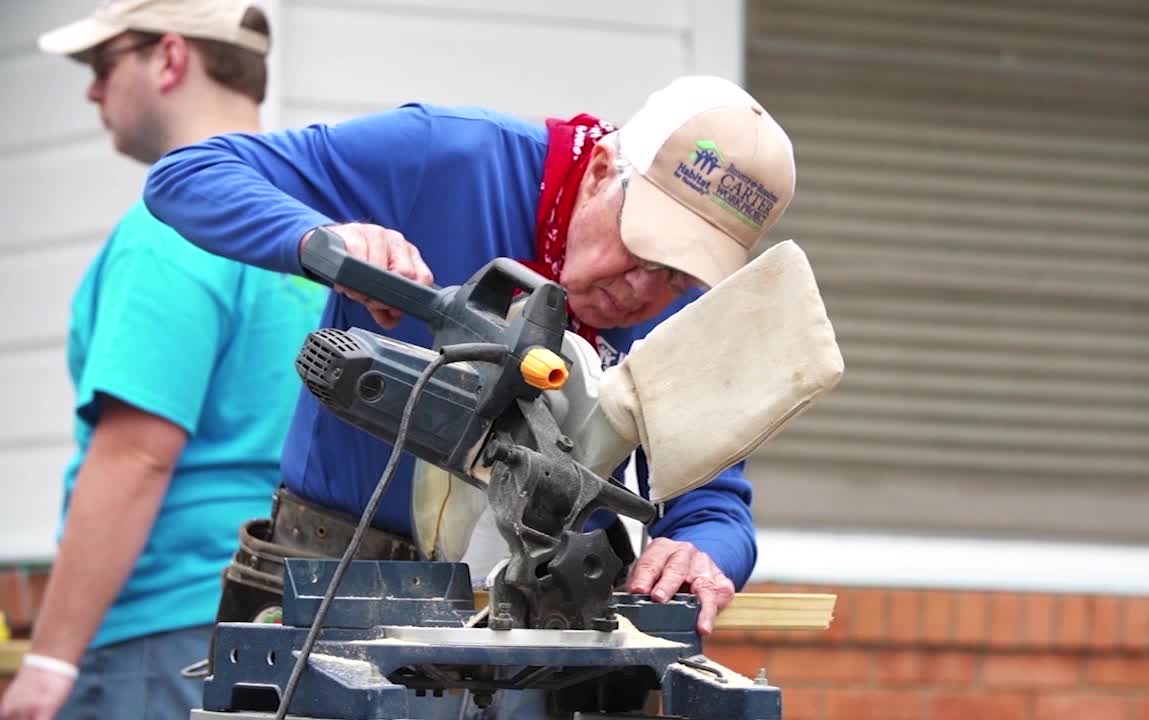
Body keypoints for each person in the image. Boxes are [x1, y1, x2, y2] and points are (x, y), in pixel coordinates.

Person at [144, 72, 796, 716]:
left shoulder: (677, 319)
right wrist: (321, 240)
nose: (643, 294)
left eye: (678, 279)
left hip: (530, 638)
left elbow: (714, 502)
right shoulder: (447, 157)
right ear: (602, 171)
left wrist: (701, 552)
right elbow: (189, 176)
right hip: (329, 599)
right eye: (642, 251)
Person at [0, 2, 327, 720]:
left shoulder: (171, 227)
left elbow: (136, 456)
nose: (91, 90)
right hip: (296, 627)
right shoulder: (318, 231)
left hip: (165, 637)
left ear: (170, 58)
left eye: (101, 64)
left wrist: (50, 661)